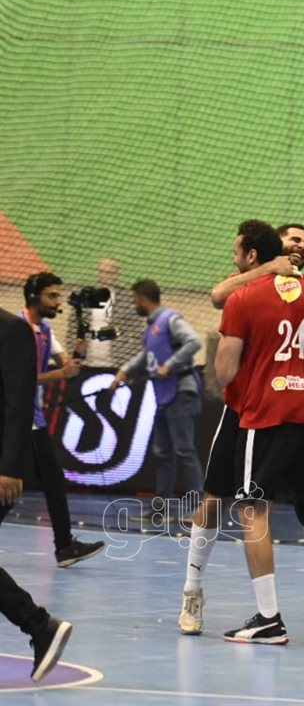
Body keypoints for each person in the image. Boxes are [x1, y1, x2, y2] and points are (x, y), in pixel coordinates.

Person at [182, 222, 304, 638]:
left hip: (262, 409)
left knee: (258, 508)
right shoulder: (250, 283)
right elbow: (217, 294)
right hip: (260, 411)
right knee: (220, 498)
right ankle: (193, 591)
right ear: (273, 248)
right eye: (293, 239)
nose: (301, 245)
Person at [0, 307, 74, 682]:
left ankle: (39, 624)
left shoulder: (12, 330)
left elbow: (19, 403)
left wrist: (10, 467)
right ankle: (39, 625)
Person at [18, 272, 105, 568]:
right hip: (16, 418)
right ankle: (64, 546)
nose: (57, 301)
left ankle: (65, 547)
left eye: (58, 295)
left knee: (51, 481)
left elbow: (69, 365)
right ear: (34, 297)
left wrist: (81, 340)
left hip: (33, 418)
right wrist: (60, 374)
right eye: (52, 296)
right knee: (17, 484)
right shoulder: (18, 329)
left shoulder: (44, 330)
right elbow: (20, 378)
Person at [110, 279, 205, 503]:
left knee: (184, 450)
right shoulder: (151, 329)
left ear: (143, 299)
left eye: (135, 300)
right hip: (163, 395)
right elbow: (146, 356)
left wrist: (169, 366)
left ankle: (200, 507)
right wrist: (125, 371)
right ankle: (160, 509)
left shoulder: (170, 319)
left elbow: (194, 342)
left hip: (180, 392)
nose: (134, 305)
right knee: (163, 453)